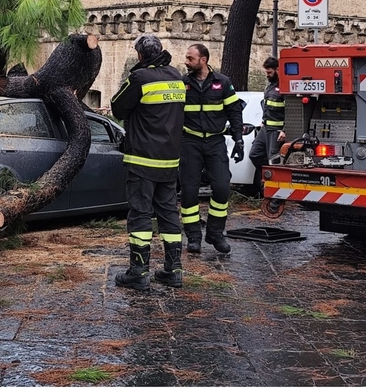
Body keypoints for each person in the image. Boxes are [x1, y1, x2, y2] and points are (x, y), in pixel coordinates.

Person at [111, 34, 186, 290]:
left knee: (140, 214)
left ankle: (139, 272)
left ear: (140, 55)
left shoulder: (140, 78)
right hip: (170, 160)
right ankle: (173, 270)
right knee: (169, 213)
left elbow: (117, 108)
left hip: (142, 159)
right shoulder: (176, 76)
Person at [179, 43, 245, 254]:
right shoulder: (182, 84)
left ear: (203, 60)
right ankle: (193, 236)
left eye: (190, 58)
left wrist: (238, 139)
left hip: (215, 143)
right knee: (189, 191)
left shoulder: (222, 82)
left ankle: (215, 233)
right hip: (190, 142)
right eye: (186, 58)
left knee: (222, 188)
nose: (186, 62)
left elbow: (234, 111)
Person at [248, 56, 286, 192]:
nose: (267, 75)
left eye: (269, 72)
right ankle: (268, 178)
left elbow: (292, 111)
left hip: (276, 130)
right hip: (266, 128)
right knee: (255, 154)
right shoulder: (270, 86)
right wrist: (263, 122)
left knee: (273, 160)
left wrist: (285, 129)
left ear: (278, 70)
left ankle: (276, 191)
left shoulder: (284, 87)